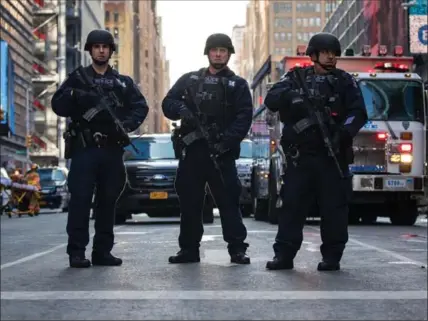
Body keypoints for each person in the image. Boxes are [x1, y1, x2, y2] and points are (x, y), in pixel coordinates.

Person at [264, 33, 368, 271]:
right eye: (325, 52)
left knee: (334, 208)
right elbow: (272, 99)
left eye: (333, 53)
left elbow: (358, 112)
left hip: (331, 157)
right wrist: (292, 97)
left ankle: (332, 256)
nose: (331, 57)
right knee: (292, 206)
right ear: (313, 55)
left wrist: (344, 132)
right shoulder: (296, 78)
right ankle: (284, 255)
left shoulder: (344, 81)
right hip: (301, 157)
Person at [51, 29, 149, 268]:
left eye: (105, 47)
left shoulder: (122, 83)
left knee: (108, 203)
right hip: (85, 150)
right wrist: (78, 96)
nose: (101, 50)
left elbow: (141, 107)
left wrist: (125, 125)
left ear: (111, 51)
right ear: (90, 50)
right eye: (96, 47)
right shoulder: (78, 78)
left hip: (112, 150)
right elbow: (57, 104)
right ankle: (77, 252)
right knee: (81, 202)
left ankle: (102, 252)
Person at [162, 33, 253, 264]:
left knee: (228, 204)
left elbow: (244, 118)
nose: (219, 54)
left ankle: (237, 249)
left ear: (229, 54)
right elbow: (168, 103)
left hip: (221, 154)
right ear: (208, 53)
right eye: (215, 50)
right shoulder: (190, 80)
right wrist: (182, 110)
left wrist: (225, 143)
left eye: (223, 50)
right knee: (190, 204)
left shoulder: (238, 85)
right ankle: (188, 250)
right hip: (192, 152)